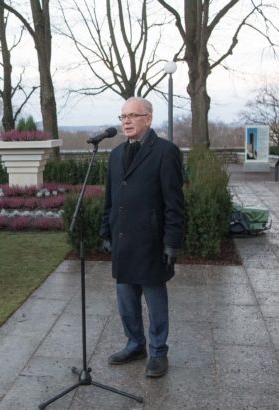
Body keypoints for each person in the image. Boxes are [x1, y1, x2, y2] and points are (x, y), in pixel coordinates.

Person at [99, 97, 185, 378]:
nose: (126, 121)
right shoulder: (115, 155)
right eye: (123, 116)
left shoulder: (165, 151)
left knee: (155, 300)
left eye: (132, 115)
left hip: (151, 243)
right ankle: (135, 344)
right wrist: (105, 230)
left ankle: (159, 351)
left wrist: (172, 242)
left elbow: (174, 203)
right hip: (123, 241)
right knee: (125, 300)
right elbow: (110, 199)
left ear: (148, 119)